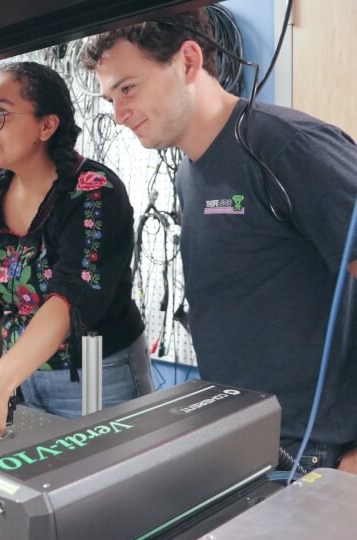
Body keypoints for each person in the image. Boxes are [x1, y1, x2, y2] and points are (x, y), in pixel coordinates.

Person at [83, 8, 357, 472]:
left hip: (320, 454)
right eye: (110, 97)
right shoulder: (191, 169)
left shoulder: (286, 146)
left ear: (189, 61)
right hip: (248, 438)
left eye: (128, 88)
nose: (119, 113)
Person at [0, 62, 154, 460]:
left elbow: (70, 298)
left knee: (112, 485)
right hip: (22, 378)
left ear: (46, 125)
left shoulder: (93, 192)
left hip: (97, 375)